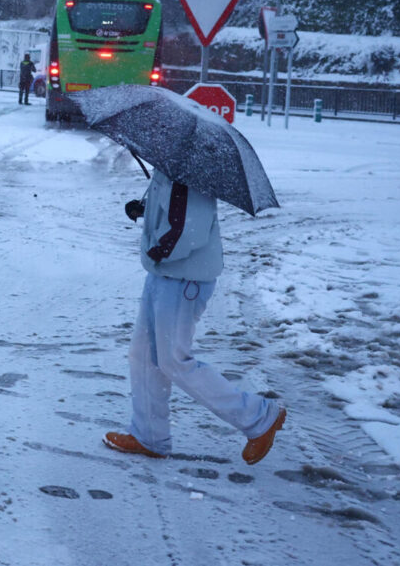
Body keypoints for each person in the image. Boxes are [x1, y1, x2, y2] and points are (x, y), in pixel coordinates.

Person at [104, 169, 286, 464]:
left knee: (174, 361)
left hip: (184, 279)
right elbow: (172, 212)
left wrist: (159, 250)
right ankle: (149, 436)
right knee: (144, 355)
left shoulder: (190, 173)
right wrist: (145, 210)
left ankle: (259, 416)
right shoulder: (170, 167)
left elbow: (191, 229)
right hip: (163, 275)